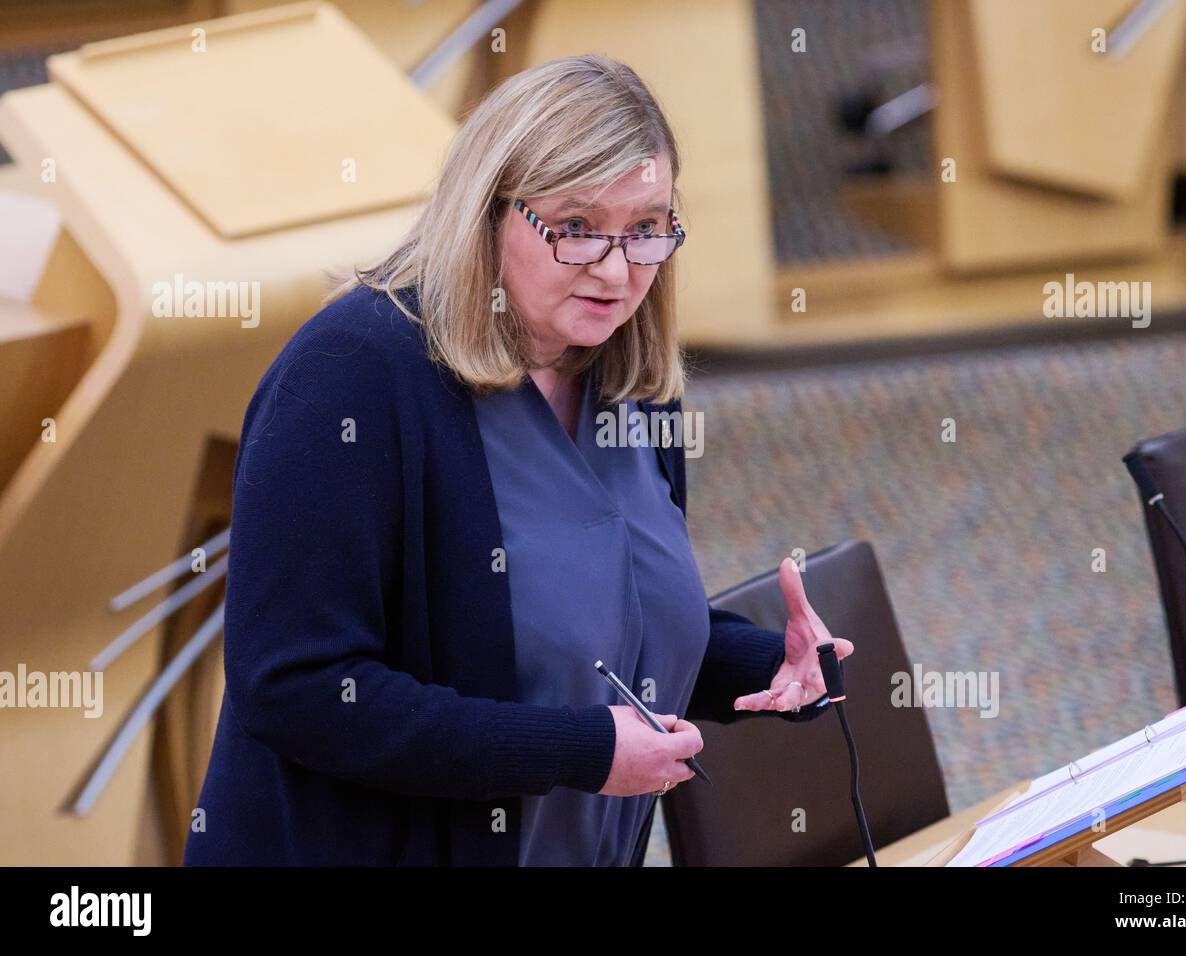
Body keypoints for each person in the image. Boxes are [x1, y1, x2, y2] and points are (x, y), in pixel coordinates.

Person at [185, 53, 853, 867]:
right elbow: (298, 689)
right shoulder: (349, 377)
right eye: (575, 228)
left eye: (646, 229)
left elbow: (589, 638)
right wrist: (578, 752)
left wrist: (769, 670)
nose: (616, 270)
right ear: (486, 212)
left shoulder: (630, 380)